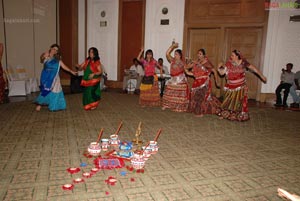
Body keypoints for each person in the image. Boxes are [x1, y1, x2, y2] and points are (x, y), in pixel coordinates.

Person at [217, 49, 267, 121]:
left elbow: (253, 69)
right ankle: (225, 114)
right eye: (231, 55)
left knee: (237, 102)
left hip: (240, 86)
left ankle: (237, 115)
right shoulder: (228, 63)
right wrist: (219, 67)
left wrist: (262, 76)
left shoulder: (243, 63)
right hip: (230, 86)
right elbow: (222, 73)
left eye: (233, 55)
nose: (231, 57)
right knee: (227, 100)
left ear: (237, 56)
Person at [35, 44, 77, 111]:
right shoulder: (46, 55)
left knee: (55, 90)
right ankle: (40, 104)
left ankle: (54, 106)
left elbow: (64, 66)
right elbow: (41, 59)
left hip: (55, 78)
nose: (54, 51)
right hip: (46, 77)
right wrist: (43, 56)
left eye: (56, 50)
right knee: (45, 90)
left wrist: (71, 71)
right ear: (51, 48)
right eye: (54, 49)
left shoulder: (57, 60)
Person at [185, 48, 221, 117]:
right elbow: (188, 69)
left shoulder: (207, 62)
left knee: (201, 97)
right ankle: (196, 110)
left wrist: (217, 81)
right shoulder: (196, 62)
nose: (198, 55)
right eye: (198, 54)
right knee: (195, 97)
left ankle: (200, 113)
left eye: (200, 54)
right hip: (197, 82)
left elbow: (214, 71)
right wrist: (188, 66)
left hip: (204, 83)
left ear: (204, 55)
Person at [161, 42, 189, 112]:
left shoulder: (183, 63)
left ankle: (178, 107)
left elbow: (187, 69)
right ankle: (166, 105)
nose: (175, 55)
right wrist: (172, 46)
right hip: (173, 79)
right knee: (169, 91)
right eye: (174, 54)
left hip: (180, 79)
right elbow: (167, 53)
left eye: (176, 54)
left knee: (178, 94)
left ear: (180, 55)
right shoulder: (172, 60)